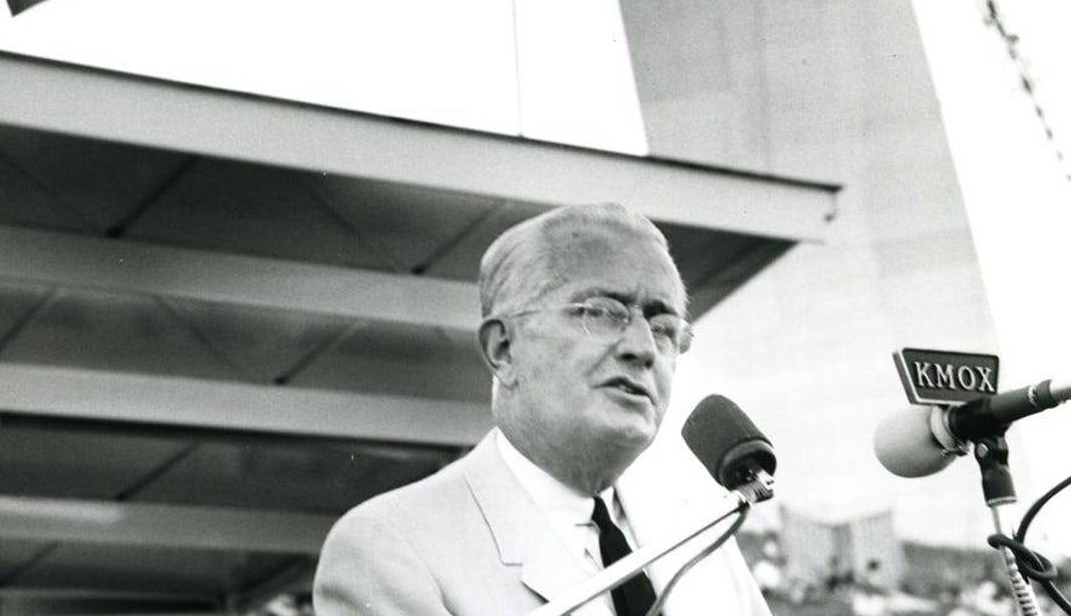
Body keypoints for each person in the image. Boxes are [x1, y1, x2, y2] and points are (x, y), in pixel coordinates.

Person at [313, 203, 771, 615]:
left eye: (664, 326)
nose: (643, 348)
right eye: (602, 312)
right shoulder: (390, 549)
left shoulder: (704, 536)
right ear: (504, 348)